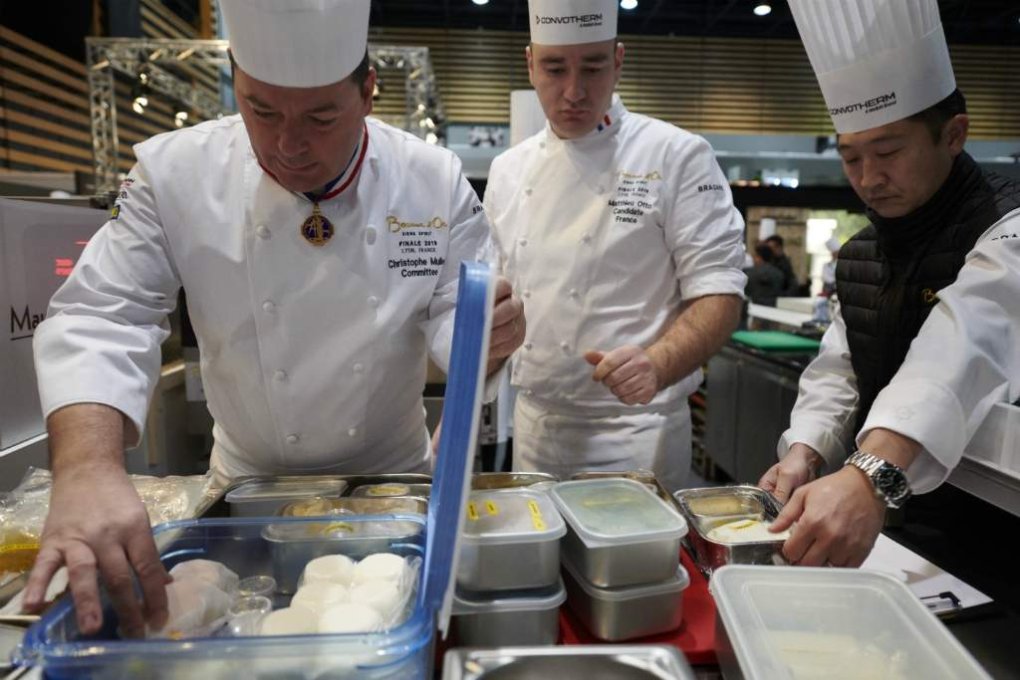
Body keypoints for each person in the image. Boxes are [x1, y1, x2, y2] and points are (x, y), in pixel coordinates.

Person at [24, 0, 525, 637]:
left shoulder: (431, 179)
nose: (289, 144)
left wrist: (489, 337)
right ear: (236, 80)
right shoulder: (173, 173)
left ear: (367, 92)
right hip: (248, 492)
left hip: (394, 489)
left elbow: (461, 312)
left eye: (320, 116)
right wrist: (89, 468)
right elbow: (103, 313)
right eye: (261, 110)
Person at [759, 0, 1020, 568]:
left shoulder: (1010, 227)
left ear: (954, 135)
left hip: (1002, 521)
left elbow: (963, 345)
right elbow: (841, 370)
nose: (869, 179)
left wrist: (869, 475)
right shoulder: (861, 253)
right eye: (851, 158)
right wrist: (804, 451)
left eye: (888, 151)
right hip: (906, 527)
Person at [484, 0, 747, 491]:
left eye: (594, 66)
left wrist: (659, 362)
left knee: (634, 569)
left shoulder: (676, 155)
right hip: (536, 426)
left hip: (636, 430)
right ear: (530, 64)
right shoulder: (507, 170)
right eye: (555, 68)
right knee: (538, 567)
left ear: (619, 60)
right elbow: (499, 298)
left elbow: (720, 295)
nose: (574, 91)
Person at [744, 243, 786, 307]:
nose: (753, 259)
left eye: (754, 256)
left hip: (754, 309)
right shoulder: (779, 274)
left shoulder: (749, 273)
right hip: (774, 309)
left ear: (759, 257)